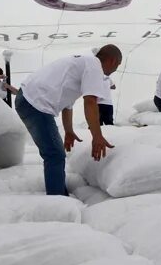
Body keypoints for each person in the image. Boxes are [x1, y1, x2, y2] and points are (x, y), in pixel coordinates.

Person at [15, 45, 122, 195]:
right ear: (112, 60)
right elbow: (90, 102)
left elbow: (68, 105)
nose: (115, 70)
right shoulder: (94, 66)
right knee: (55, 154)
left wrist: (69, 131)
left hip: (29, 99)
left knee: (54, 152)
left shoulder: (83, 65)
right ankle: (57, 199)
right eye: (117, 66)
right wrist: (97, 136)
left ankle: (58, 192)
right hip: (36, 103)